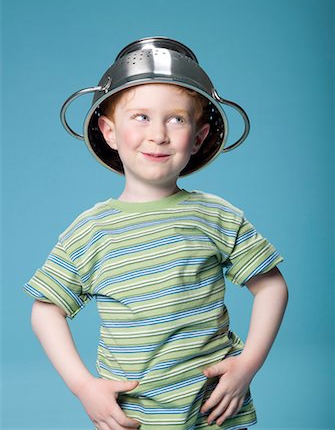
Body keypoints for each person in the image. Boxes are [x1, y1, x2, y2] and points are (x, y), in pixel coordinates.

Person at [24, 37, 288, 430]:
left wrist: (248, 364)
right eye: (141, 117)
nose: (159, 134)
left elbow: (271, 287)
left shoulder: (216, 216)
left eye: (176, 119)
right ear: (109, 132)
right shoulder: (91, 231)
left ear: (198, 137)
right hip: (134, 418)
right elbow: (47, 309)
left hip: (213, 412)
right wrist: (84, 387)